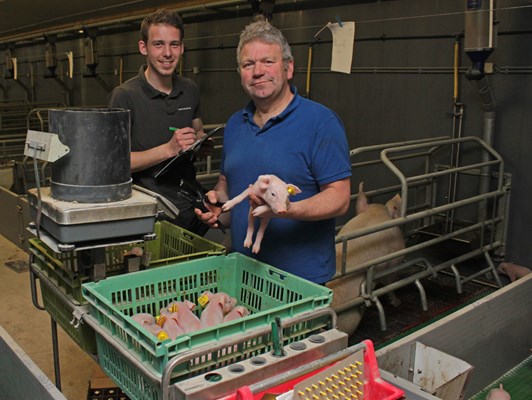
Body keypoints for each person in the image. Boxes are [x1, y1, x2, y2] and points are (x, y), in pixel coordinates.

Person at [196, 19, 352, 284]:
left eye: (268, 61)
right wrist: (218, 206)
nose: (258, 71)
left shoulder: (320, 123)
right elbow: (227, 183)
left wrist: (287, 208)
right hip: (242, 272)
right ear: (241, 73)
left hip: (299, 280)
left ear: (288, 68)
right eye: (248, 64)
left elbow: (339, 198)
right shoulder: (235, 124)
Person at [108, 9, 211, 235]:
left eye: (174, 44)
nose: (167, 53)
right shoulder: (124, 95)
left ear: (182, 48)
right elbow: (115, 163)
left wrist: (201, 144)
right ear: (143, 47)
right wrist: (168, 149)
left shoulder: (190, 89)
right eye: (158, 44)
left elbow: (198, 130)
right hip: (148, 208)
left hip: (189, 198)